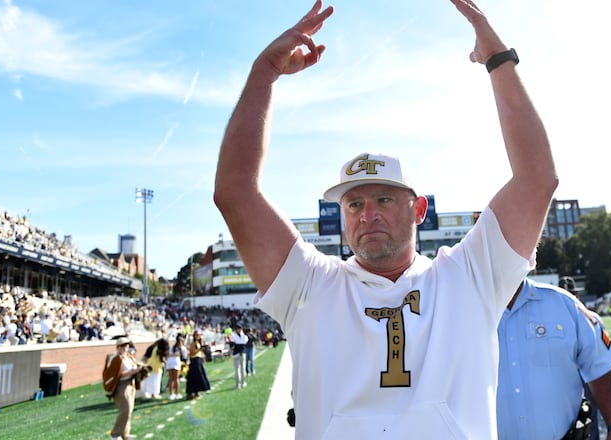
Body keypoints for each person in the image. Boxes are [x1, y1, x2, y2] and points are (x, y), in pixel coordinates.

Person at [213, 0, 558, 437]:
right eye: (354, 205)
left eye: (383, 199)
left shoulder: (470, 275)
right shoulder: (309, 284)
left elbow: (537, 178)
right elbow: (235, 192)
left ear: (418, 209)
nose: (368, 215)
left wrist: (498, 59)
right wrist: (264, 71)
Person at [497, 278, 611, 439]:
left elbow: (603, 362)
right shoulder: (465, 306)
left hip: (581, 387)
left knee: (587, 421)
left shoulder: (570, 307)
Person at [107, 337, 145, 440]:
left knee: (130, 409)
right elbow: (116, 375)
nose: (125, 347)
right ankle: (114, 434)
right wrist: (133, 371)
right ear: (118, 347)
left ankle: (125, 434)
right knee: (125, 409)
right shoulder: (116, 358)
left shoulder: (129, 357)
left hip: (130, 383)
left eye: (127, 345)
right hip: (120, 385)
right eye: (122, 346)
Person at [185, 330, 211, 400]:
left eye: (199, 335)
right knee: (196, 377)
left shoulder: (198, 342)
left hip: (198, 360)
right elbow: (192, 353)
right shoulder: (193, 343)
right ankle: (193, 392)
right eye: (196, 335)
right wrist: (200, 349)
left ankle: (197, 392)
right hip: (194, 361)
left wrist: (203, 357)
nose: (198, 336)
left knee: (199, 376)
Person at [165, 335, 186, 400]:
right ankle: (177, 393)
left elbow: (167, 354)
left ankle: (171, 394)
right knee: (176, 379)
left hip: (169, 362)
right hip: (176, 362)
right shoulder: (182, 348)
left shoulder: (171, 347)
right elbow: (184, 356)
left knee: (171, 379)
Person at [229, 323, 248, 389]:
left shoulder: (234, 335)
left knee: (240, 369)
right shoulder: (243, 336)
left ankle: (241, 383)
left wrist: (230, 352)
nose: (238, 330)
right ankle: (240, 383)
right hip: (239, 353)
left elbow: (231, 344)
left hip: (239, 353)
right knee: (239, 369)